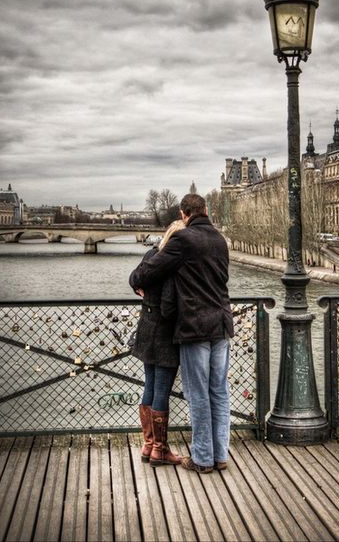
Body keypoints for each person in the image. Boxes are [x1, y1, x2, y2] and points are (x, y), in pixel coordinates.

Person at [129, 193, 233, 474]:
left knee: (198, 393)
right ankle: (219, 454)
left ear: (183, 214)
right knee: (220, 393)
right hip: (222, 324)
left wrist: (137, 283)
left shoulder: (183, 240)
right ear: (207, 210)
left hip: (195, 327)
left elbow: (146, 272)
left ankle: (201, 458)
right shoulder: (220, 240)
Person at [130, 219, 186, 467]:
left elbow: (135, 279)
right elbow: (168, 305)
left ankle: (148, 445)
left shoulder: (151, 255)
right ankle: (160, 450)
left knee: (150, 385)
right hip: (164, 333)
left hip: (146, 327)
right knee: (162, 388)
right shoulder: (172, 264)